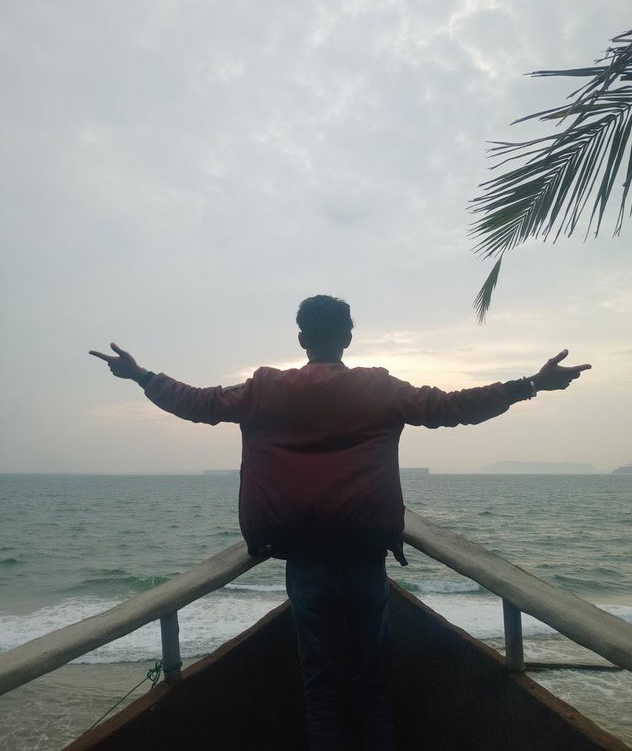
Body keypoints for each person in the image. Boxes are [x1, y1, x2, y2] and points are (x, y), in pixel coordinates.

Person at [90, 295, 591, 751]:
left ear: (302, 338)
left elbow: (197, 403)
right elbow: (452, 407)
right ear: (348, 336)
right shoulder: (378, 387)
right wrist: (531, 385)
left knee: (320, 674)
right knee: (372, 671)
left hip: (301, 549)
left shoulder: (265, 388)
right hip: (363, 549)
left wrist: (141, 376)